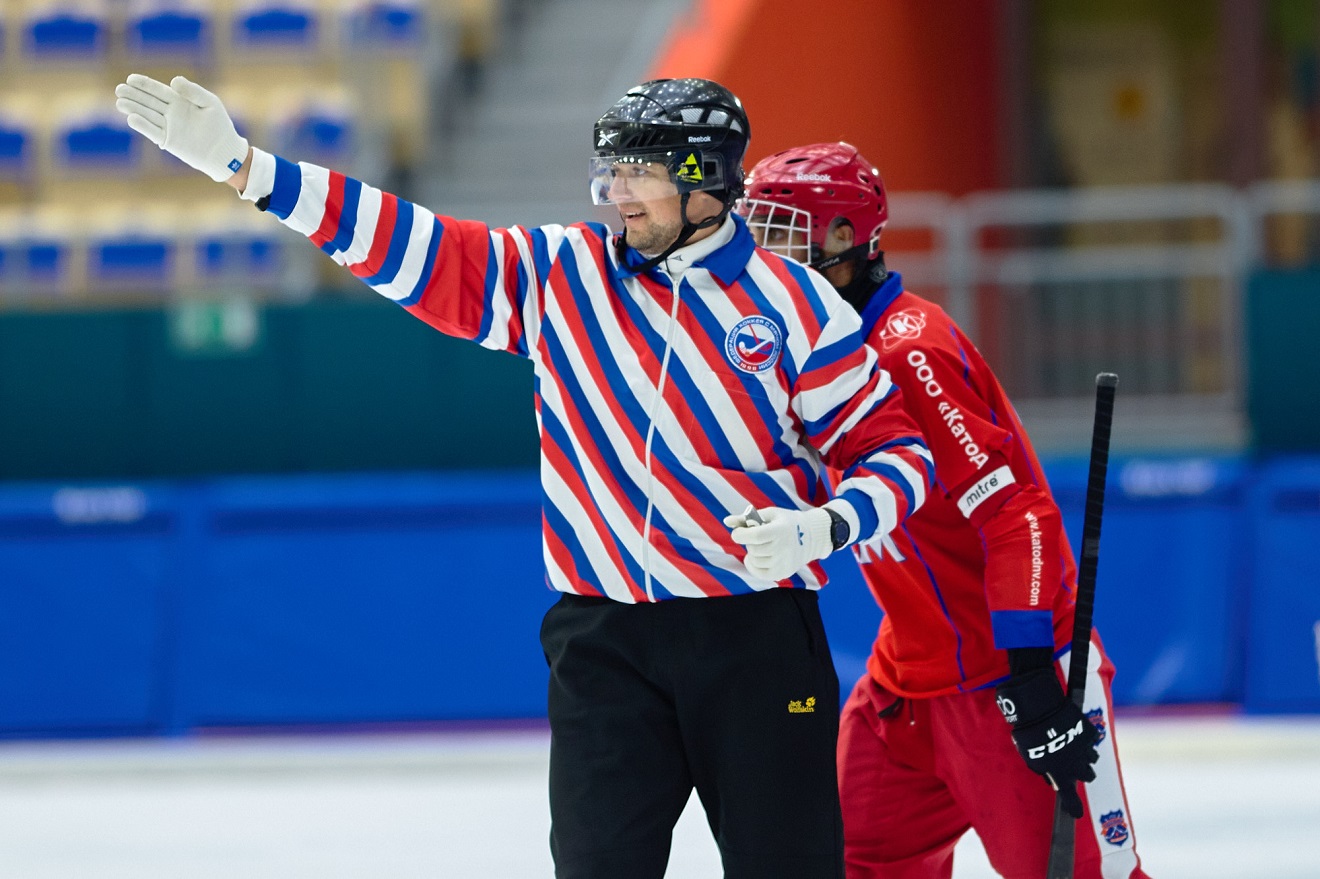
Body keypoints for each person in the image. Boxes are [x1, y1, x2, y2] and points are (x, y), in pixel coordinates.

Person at [113, 77, 936, 879]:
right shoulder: (560, 273)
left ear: (705, 181)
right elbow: (414, 246)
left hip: (756, 641)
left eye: (640, 173)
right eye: (611, 172)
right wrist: (250, 169)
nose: (618, 195)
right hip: (604, 645)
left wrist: (824, 525)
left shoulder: (797, 308)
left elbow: (902, 458)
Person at [739, 142, 1151, 879]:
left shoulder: (908, 352)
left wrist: (1030, 673)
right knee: (857, 862)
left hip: (1006, 681)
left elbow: (1016, 510)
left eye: (781, 234)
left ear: (842, 238)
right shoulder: (808, 353)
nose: (762, 258)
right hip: (906, 683)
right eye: (757, 232)